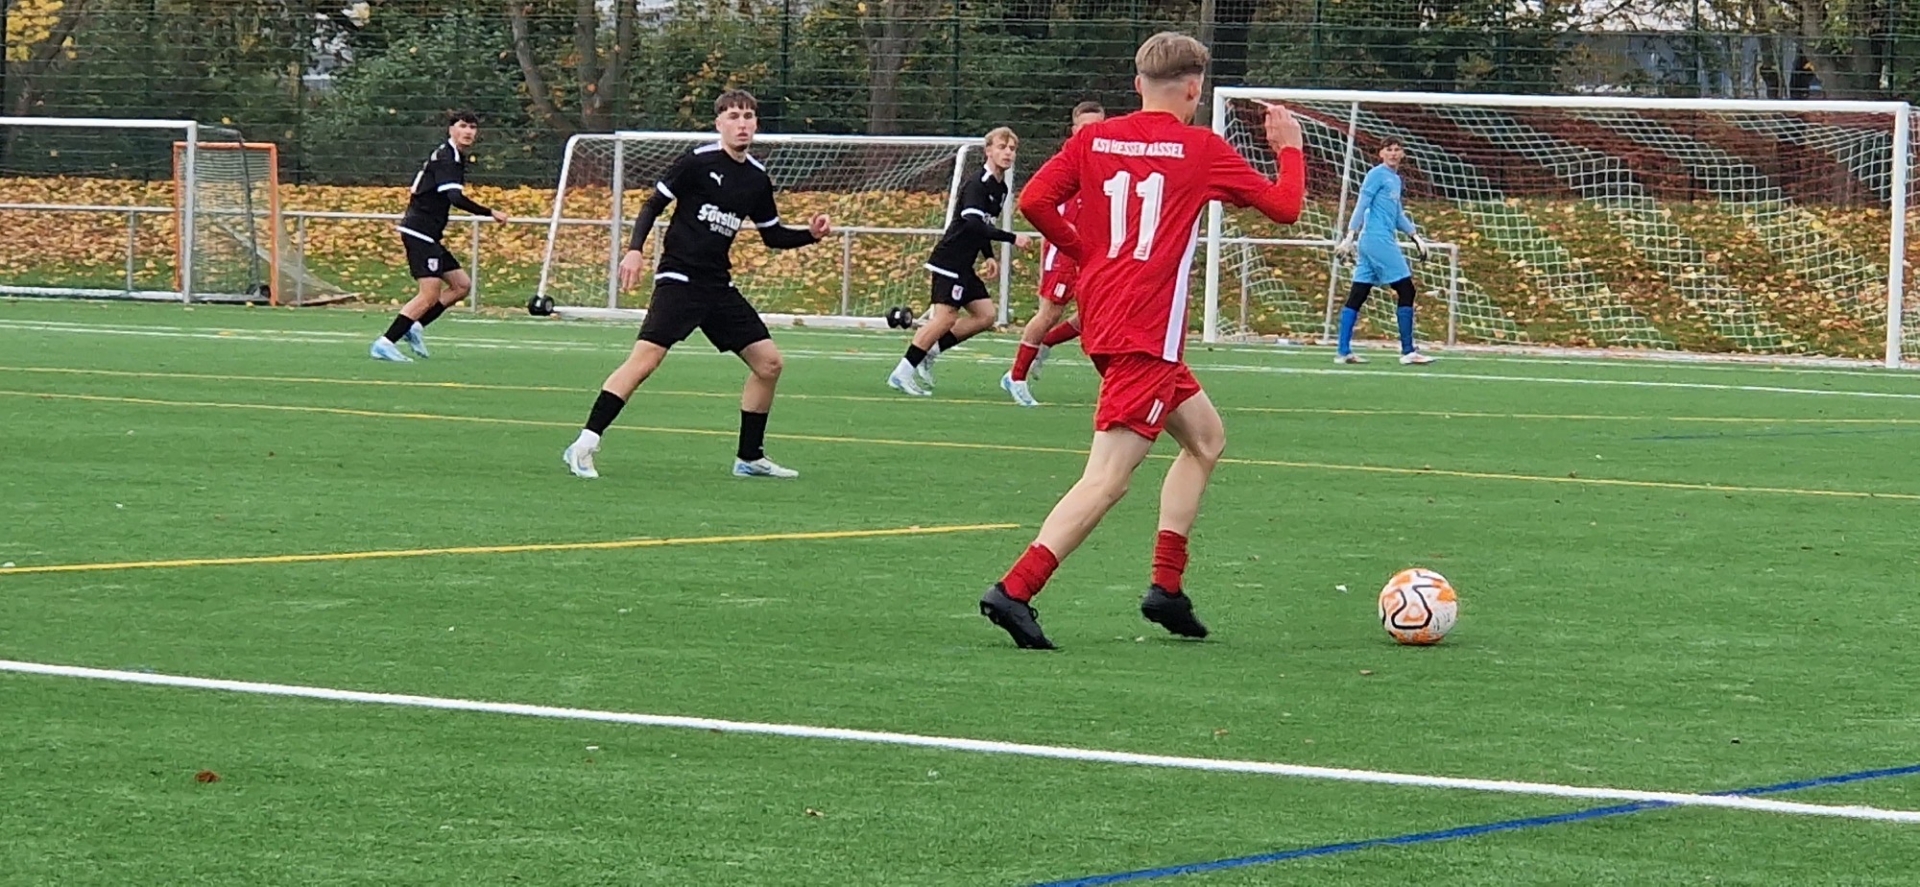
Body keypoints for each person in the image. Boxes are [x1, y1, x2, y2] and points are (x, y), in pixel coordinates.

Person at [976, 31, 1306, 649]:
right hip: (1146, 332)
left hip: (1108, 318)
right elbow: (1286, 207)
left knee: (1205, 439)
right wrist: (1289, 149)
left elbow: (1036, 200)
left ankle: (1166, 589)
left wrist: (1085, 252)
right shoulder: (1199, 148)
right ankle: (1014, 590)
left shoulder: (1094, 138)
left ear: (1137, 85)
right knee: (1108, 477)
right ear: (1194, 90)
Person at [560, 90, 831, 480]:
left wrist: (810, 235)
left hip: (717, 286)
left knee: (769, 364)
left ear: (756, 124)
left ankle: (749, 458)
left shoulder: (756, 178)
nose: (742, 124)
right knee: (645, 362)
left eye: (748, 116)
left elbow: (772, 236)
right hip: (680, 280)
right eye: (734, 116)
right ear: (719, 123)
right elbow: (653, 204)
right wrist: (634, 250)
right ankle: (584, 444)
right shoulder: (697, 162)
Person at [886, 127, 1033, 397]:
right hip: (950, 260)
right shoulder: (977, 184)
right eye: (1002, 147)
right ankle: (902, 372)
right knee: (945, 318)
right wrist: (1012, 238)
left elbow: (985, 225)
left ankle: (931, 351)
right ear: (988, 151)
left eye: (1012, 149)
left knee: (986, 315)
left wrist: (989, 256)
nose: (1008, 153)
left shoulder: (1000, 187)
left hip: (964, 264)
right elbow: (973, 223)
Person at [370, 110, 510, 362]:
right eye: (463, 126)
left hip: (429, 234)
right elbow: (454, 198)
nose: (468, 131)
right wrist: (490, 212)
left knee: (461, 285)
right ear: (451, 129)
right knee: (429, 294)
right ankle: (385, 342)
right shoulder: (447, 158)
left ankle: (415, 326)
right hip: (419, 232)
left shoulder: (453, 156)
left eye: (472, 127)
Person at [1000, 100, 1107, 408]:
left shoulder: (1106, 161)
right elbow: (1039, 201)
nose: (1092, 133)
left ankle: (1044, 343)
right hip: (1063, 248)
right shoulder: (1067, 161)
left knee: (1094, 315)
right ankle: (1016, 377)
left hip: (1093, 249)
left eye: (1098, 127)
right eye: (1086, 128)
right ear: (1074, 130)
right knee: (1049, 312)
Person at [1333, 138, 1435, 365]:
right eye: (1389, 150)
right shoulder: (1376, 174)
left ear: (1403, 154)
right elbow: (1362, 204)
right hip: (1377, 240)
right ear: (1381, 153)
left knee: (1358, 293)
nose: (1393, 153)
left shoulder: (1395, 179)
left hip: (1371, 243)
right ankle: (1408, 351)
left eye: (1397, 150)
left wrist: (1416, 237)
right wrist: (1349, 235)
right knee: (1406, 289)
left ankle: (1343, 351)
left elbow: (1397, 215)